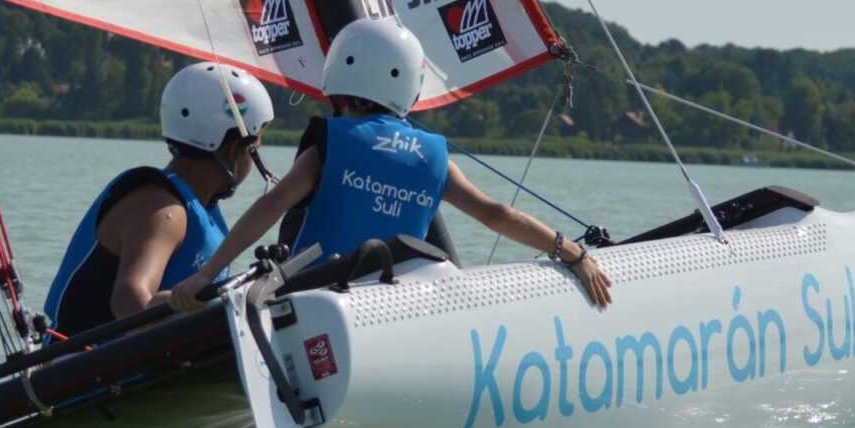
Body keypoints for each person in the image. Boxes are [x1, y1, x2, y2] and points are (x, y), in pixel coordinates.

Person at [169, 19, 612, 311]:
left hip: (311, 303)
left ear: (337, 75)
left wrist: (206, 275)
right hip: (392, 309)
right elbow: (495, 214)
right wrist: (571, 251)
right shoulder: (433, 156)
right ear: (410, 87)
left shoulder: (331, 143)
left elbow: (272, 206)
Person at [42, 61, 275, 337]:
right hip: (82, 361)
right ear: (235, 149)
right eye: (255, 148)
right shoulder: (164, 211)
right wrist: (192, 305)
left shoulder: (197, 205)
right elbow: (130, 299)